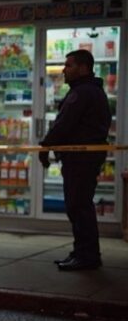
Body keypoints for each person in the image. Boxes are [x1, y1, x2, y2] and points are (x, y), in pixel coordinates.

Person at [40, 49, 112, 271]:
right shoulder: (92, 91)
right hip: (84, 157)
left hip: (81, 158)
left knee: (78, 206)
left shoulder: (82, 93)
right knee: (79, 205)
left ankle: (87, 255)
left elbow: (64, 125)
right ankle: (83, 251)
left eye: (68, 65)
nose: (64, 70)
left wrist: (45, 146)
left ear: (83, 68)